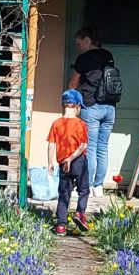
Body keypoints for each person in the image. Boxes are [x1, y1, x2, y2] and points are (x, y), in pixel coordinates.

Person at [67, 25, 116, 196]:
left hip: (92, 107)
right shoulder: (108, 56)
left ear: (87, 41)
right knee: (103, 147)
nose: (77, 47)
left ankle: (85, 185)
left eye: (78, 43)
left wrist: (69, 102)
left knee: (90, 147)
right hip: (110, 108)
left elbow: (73, 84)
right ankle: (99, 186)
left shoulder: (84, 59)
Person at [47, 88, 90, 235]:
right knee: (84, 189)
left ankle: (61, 225)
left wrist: (50, 162)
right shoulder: (81, 124)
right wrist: (71, 158)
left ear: (63, 105)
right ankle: (79, 213)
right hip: (78, 161)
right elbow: (83, 145)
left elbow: (51, 144)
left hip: (62, 163)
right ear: (77, 107)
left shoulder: (56, 123)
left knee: (64, 193)